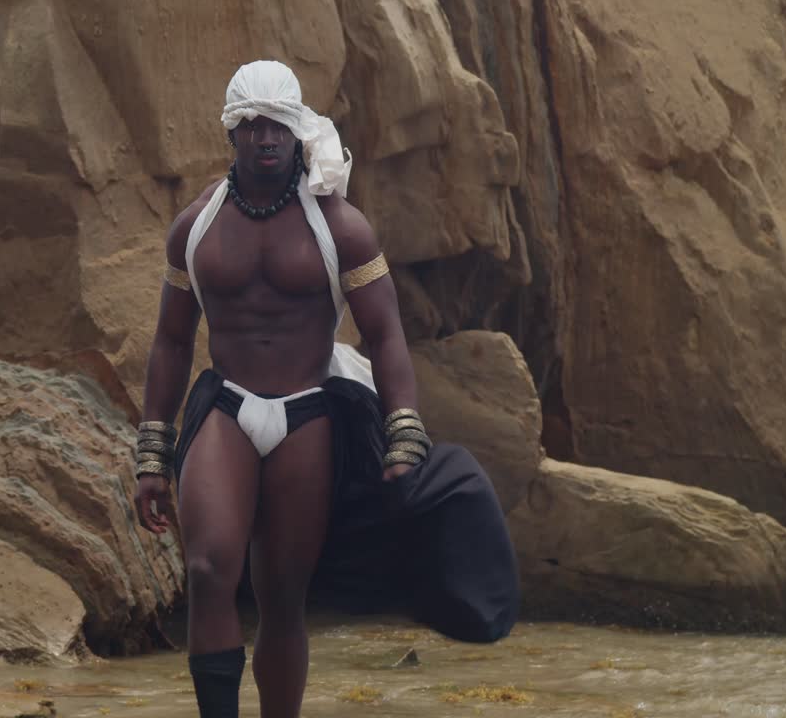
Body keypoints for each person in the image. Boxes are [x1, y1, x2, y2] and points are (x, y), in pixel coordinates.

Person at [131, 60, 518, 718]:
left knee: (283, 595)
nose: (265, 137)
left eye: (277, 123)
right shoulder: (195, 228)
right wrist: (151, 452)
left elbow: (386, 333)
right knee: (206, 571)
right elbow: (171, 341)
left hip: (308, 413)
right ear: (232, 132)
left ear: (296, 127)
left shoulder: (340, 226)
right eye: (250, 124)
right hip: (226, 404)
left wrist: (403, 429)